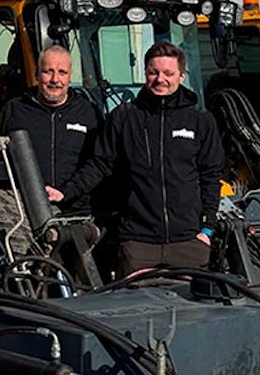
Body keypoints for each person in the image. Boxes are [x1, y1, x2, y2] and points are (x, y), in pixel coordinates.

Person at [47, 41, 223, 275]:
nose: (160, 79)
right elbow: (100, 164)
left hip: (189, 243)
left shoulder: (200, 120)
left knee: (194, 310)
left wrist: (207, 230)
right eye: (153, 72)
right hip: (138, 244)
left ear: (181, 76)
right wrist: (66, 192)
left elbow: (211, 176)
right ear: (145, 73)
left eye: (168, 73)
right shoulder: (124, 117)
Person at [0, 45, 103, 213]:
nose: (55, 80)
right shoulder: (15, 110)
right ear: (37, 74)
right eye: (47, 71)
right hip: (23, 212)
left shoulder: (88, 113)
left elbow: (98, 163)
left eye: (62, 72)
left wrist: (67, 192)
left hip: (78, 211)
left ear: (70, 76)